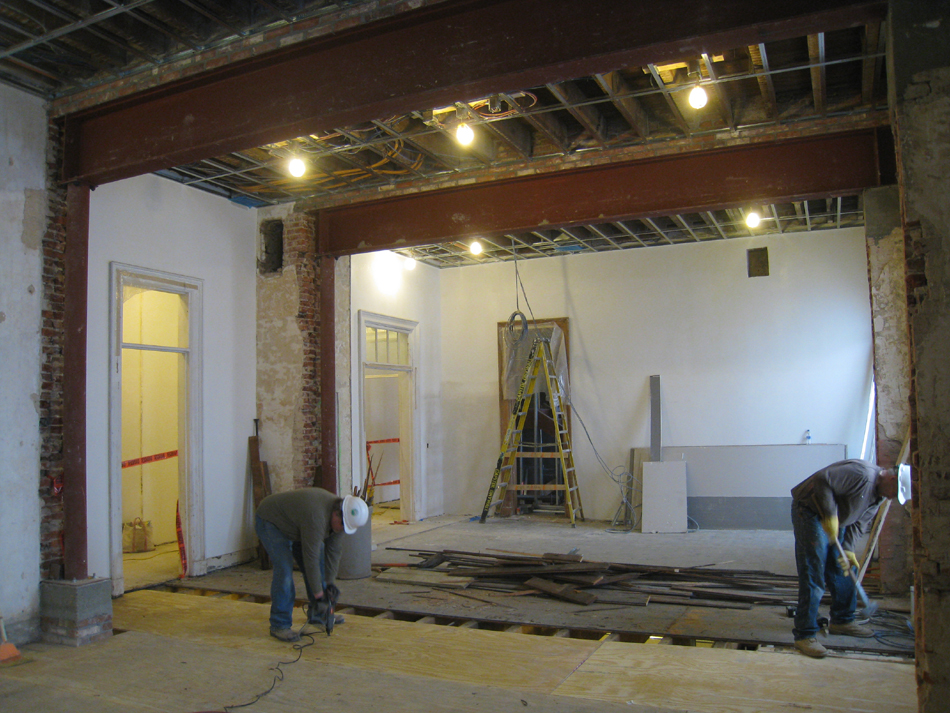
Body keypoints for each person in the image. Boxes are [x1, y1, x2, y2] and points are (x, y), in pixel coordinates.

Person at [790, 459, 911, 658]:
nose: (892, 498)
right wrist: (829, 516)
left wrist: (848, 550)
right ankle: (805, 634)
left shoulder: (879, 496)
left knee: (845, 569)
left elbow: (856, 525)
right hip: (810, 511)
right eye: (895, 492)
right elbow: (822, 479)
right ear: (891, 478)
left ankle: (842, 620)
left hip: (838, 517)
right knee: (814, 571)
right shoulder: (862, 474)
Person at [255, 488, 369, 642]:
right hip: (271, 521)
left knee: (321, 559)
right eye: (342, 525)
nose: (342, 529)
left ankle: (318, 615)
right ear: (336, 513)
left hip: (296, 525)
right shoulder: (317, 516)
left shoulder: (344, 519)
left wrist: (329, 585)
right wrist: (319, 594)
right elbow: (311, 559)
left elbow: (333, 553)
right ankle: (279, 624)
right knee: (284, 569)